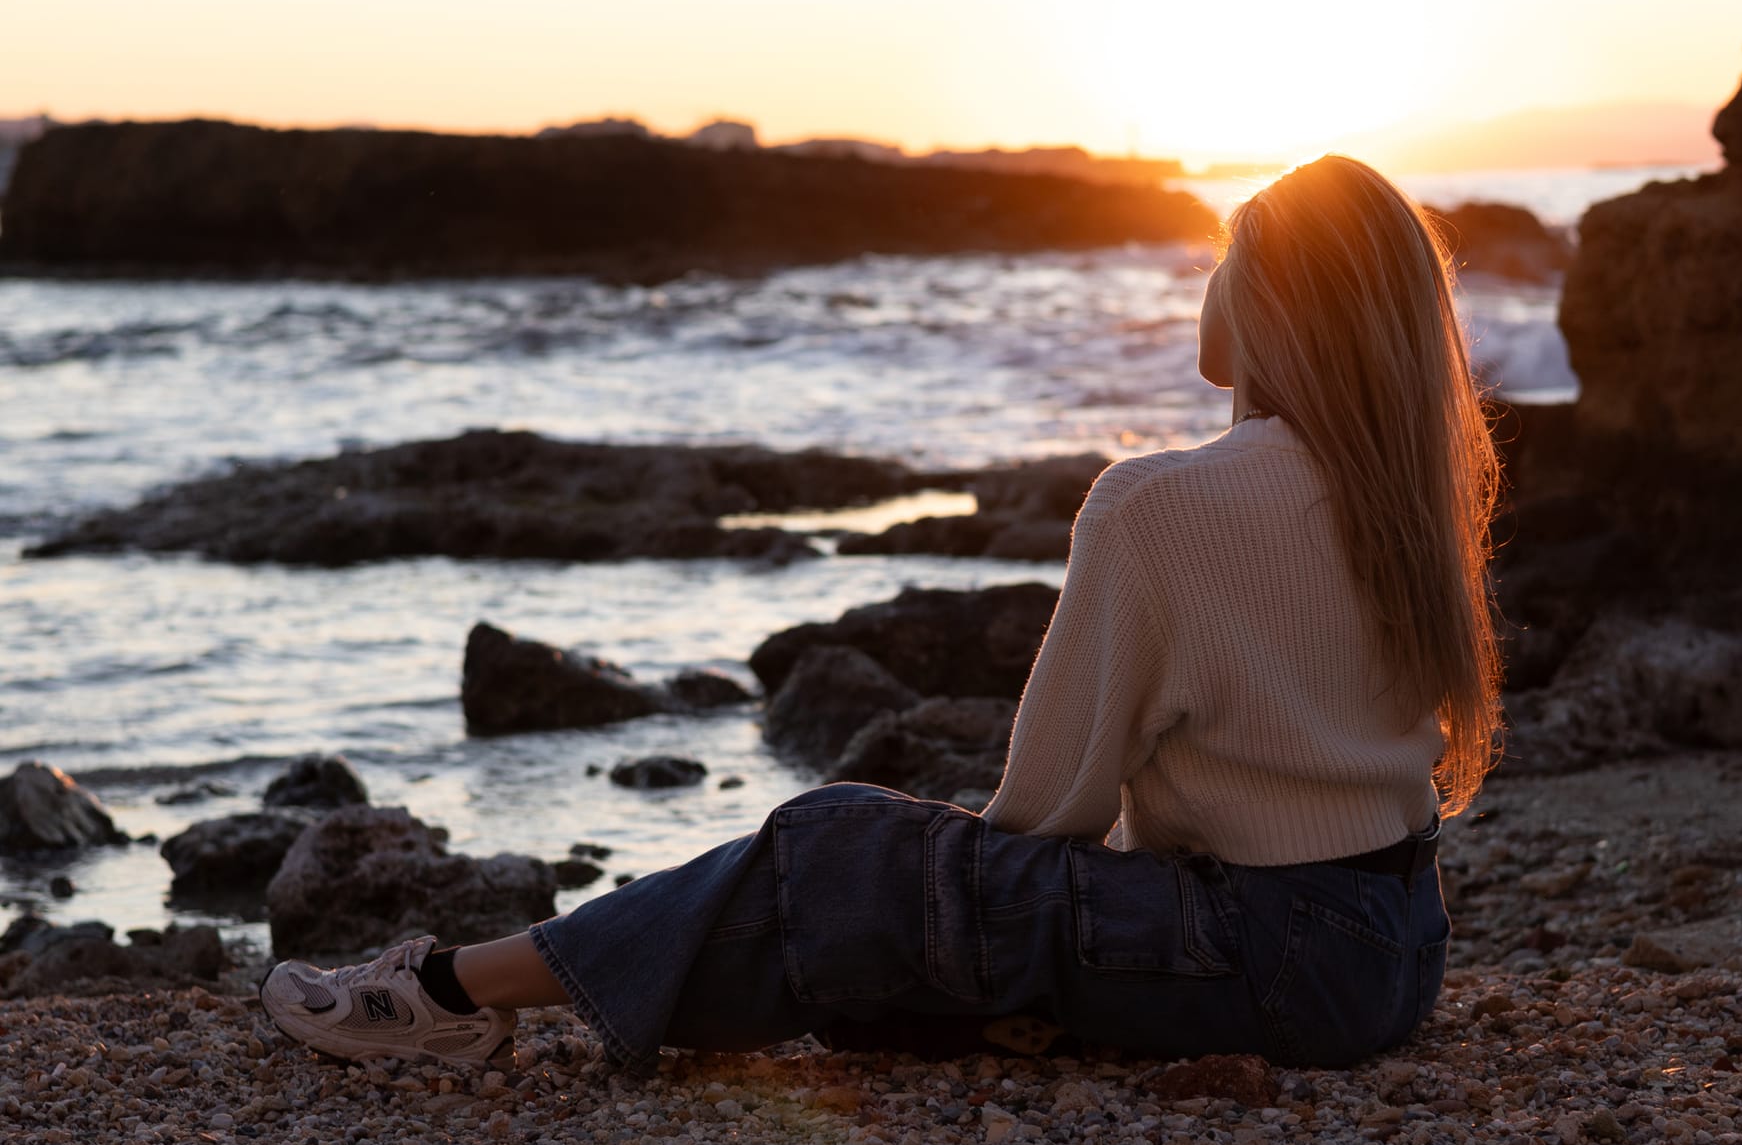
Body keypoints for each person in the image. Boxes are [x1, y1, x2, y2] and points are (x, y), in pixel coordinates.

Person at [263, 155, 1500, 1076]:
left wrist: (930, 895)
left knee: (839, 848)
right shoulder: (1406, 494)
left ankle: (450, 995)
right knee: (866, 919)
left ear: (1270, 299)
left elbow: (1046, 813)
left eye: (1224, 256)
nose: (1205, 283)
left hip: (1268, 962)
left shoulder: (1159, 506)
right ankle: (506, 991)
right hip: (1394, 956)